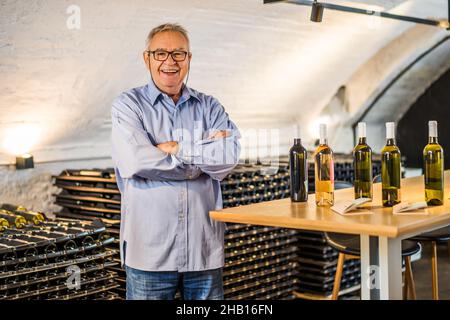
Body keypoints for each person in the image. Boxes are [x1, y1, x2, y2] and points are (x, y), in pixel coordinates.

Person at [110, 23, 241, 300]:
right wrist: (201, 158)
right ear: (147, 58)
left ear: (189, 59)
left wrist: (177, 148)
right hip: (149, 254)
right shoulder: (128, 105)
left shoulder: (210, 106)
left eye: (179, 54)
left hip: (203, 252)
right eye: (160, 53)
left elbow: (229, 156)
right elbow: (135, 161)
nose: (170, 61)